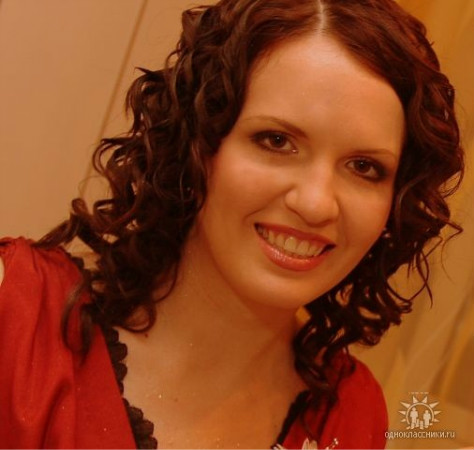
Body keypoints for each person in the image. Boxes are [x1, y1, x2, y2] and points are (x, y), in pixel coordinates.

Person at [0, 0, 464, 448]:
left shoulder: (352, 414)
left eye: (364, 167)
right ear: (198, 144)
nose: (316, 204)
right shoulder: (16, 317)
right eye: (276, 141)